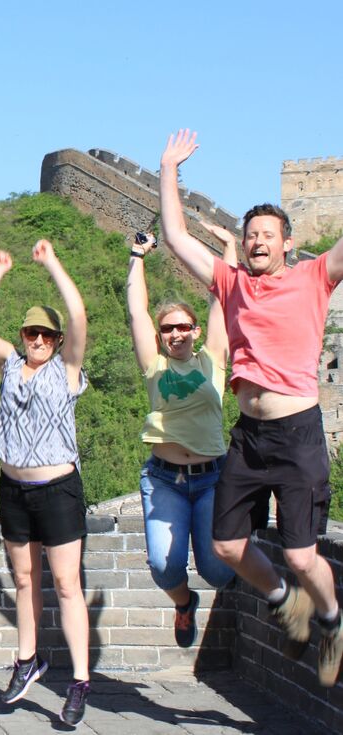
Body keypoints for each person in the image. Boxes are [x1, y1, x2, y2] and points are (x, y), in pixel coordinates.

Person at [160, 130, 342, 687]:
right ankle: (288, 603)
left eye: (269, 234)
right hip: (249, 435)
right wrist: (168, 168)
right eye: (251, 234)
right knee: (227, 546)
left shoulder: (315, 278)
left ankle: (332, 620)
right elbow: (174, 235)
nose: (258, 240)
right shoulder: (230, 283)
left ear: (288, 244)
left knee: (304, 556)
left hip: (299, 434)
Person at [0, 241, 91, 727]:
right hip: (13, 488)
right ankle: (27, 659)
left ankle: (79, 681)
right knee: (24, 580)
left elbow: (78, 312)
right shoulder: (9, 364)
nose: (37, 339)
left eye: (46, 334)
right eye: (30, 332)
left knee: (65, 584)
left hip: (58, 490)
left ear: (57, 340)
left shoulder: (67, 370)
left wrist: (52, 262)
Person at [126, 229, 235, 649]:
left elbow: (221, 300)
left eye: (184, 327)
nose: (177, 334)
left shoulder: (212, 362)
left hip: (211, 478)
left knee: (219, 572)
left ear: (193, 330)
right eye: (168, 328)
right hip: (164, 480)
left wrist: (227, 252)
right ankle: (183, 603)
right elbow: (137, 312)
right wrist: (138, 255)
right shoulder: (154, 367)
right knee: (163, 568)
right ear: (162, 334)